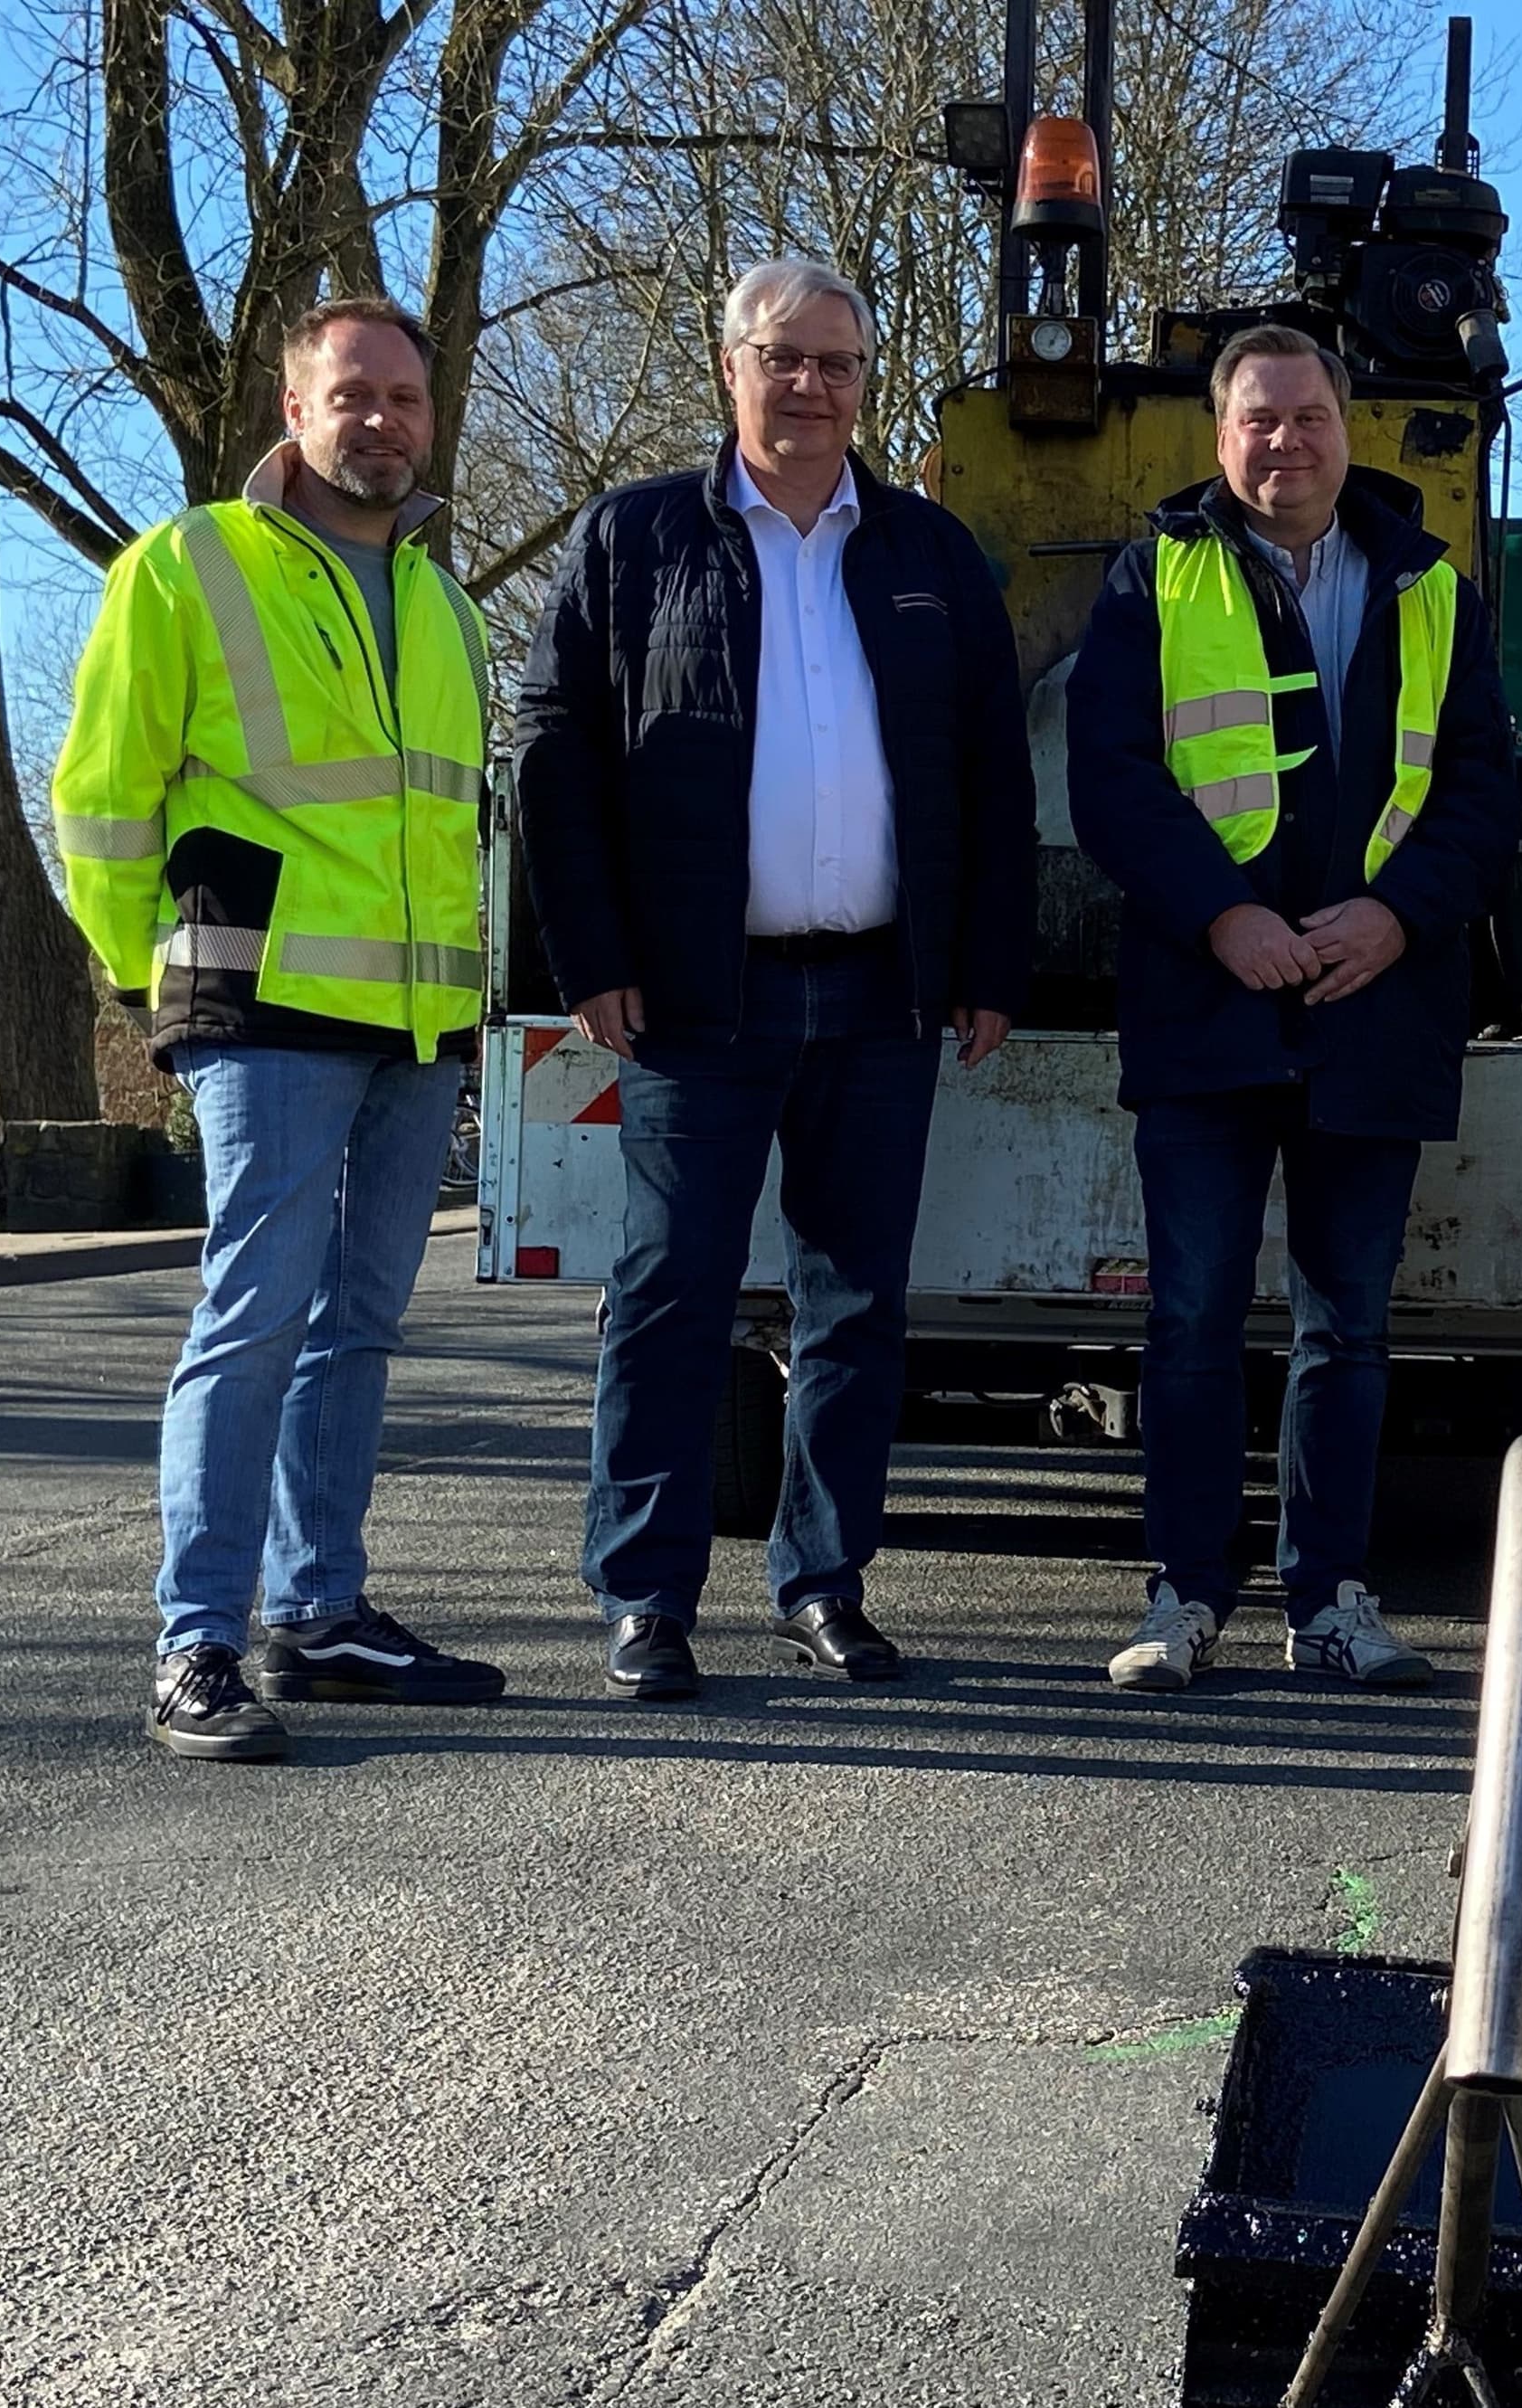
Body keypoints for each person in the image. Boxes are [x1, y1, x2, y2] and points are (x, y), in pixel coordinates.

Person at [515, 257, 1035, 1702]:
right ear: (728, 367)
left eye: (838, 364)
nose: (810, 386)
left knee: (856, 1304)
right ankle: (644, 1597)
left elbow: (994, 776)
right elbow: (557, 765)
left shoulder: (933, 553)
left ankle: (825, 1582)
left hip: (885, 993)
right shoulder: (632, 541)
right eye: (782, 358)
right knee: (672, 1294)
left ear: (868, 383)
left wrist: (988, 962)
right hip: (693, 995)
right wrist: (593, 959)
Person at [55, 296, 506, 1763]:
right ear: (293, 410)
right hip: (262, 1012)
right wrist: (147, 978)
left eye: (406, 399)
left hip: (415, 1019)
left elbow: (445, 832)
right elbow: (103, 797)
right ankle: (199, 1642)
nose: (381, 421)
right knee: (250, 1320)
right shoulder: (188, 564)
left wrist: (467, 1005)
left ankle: (321, 1610)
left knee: (358, 1325)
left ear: (433, 420)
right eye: (352, 395)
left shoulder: (444, 604)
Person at [1066, 324, 1519, 1692]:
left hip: (1378, 1004)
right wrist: (1228, 917)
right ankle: (1184, 1595)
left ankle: (1332, 1601)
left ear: (1347, 426)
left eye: (1309, 415)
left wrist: (1401, 915)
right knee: (1193, 1318)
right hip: (1209, 1005)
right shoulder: (1155, 576)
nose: (1286, 440)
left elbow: (1482, 794)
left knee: (1350, 1328)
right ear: (1219, 438)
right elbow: (1114, 781)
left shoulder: (1433, 590)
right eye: (1257, 419)